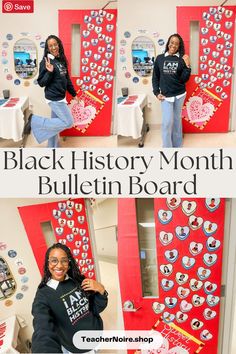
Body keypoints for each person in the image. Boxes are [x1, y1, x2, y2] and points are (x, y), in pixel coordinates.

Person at [31, 243, 108, 353]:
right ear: (48, 263)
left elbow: (95, 309)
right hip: (78, 348)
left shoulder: (77, 280)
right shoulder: (43, 295)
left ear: (69, 263)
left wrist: (101, 291)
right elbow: (42, 329)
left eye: (64, 260)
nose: (59, 266)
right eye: (54, 260)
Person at [24, 35, 79, 148]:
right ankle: (34, 120)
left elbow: (67, 79)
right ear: (47, 48)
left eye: (55, 44)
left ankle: (52, 147)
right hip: (54, 98)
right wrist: (49, 72)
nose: (54, 47)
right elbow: (41, 83)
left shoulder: (61, 60)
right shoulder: (46, 62)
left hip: (61, 97)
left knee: (54, 125)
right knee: (68, 122)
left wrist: (74, 94)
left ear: (59, 45)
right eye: (51, 46)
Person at [152, 33, 191, 147]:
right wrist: (156, 92)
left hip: (179, 95)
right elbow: (155, 77)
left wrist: (188, 66)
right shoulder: (160, 58)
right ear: (168, 43)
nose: (173, 45)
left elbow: (184, 79)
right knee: (167, 123)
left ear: (179, 46)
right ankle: (167, 148)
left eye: (176, 44)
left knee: (177, 121)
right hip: (166, 96)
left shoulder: (182, 59)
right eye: (172, 42)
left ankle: (178, 145)